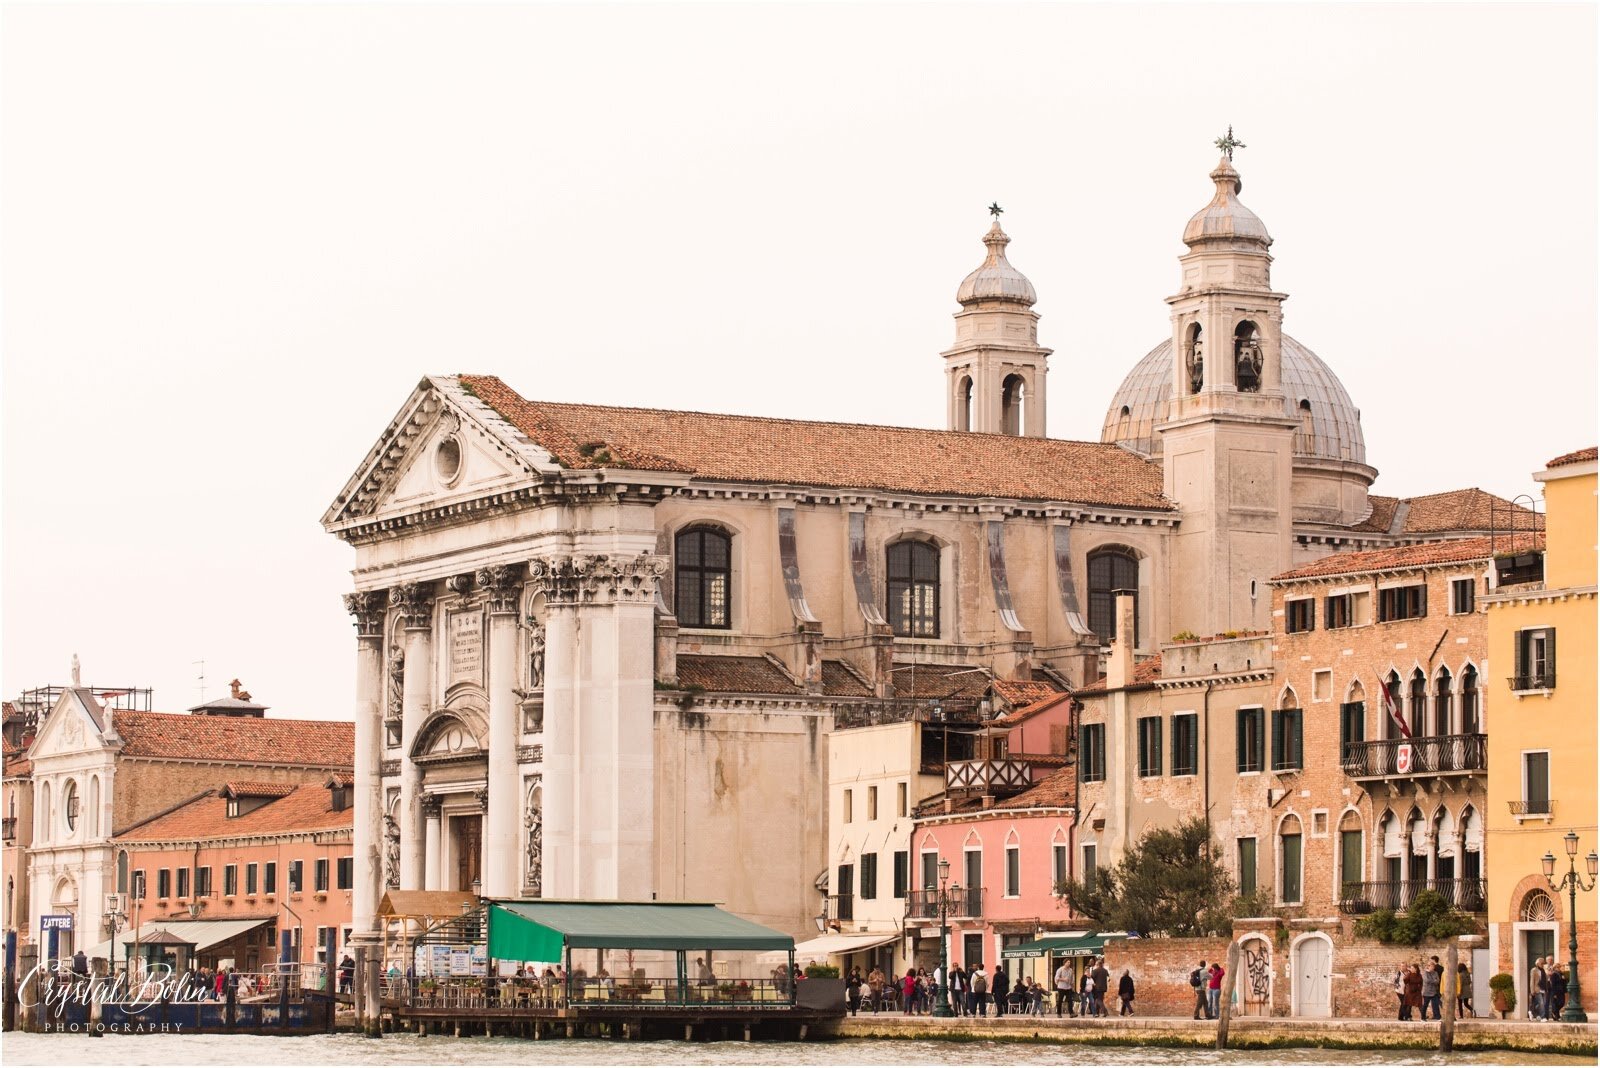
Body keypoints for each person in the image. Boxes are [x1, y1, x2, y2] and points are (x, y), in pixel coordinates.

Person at [1529, 957, 1547, 1021]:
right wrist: (1532, 990)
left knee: (1542, 1003)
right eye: (1541, 963)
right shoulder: (1534, 970)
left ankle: (1533, 1013)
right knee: (1541, 1003)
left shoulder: (1544, 970)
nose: (1542, 964)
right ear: (1537, 963)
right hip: (1537, 989)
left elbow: (1545, 980)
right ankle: (1543, 1017)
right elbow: (1532, 981)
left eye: (1543, 963)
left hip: (1543, 989)